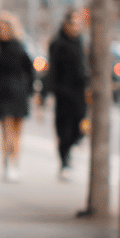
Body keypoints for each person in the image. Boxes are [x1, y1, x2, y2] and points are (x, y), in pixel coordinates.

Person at [0, 13, 34, 182]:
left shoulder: (19, 47)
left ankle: (14, 162)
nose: (2, 32)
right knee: (6, 130)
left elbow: (29, 70)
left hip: (19, 94)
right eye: (0, 29)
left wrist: (30, 90)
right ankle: (8, 162)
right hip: (3, 94)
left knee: (16, 132)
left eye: (5, 29)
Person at [48, 10, 88, 182]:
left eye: (79, 24)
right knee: (64, 129)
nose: (76, 27)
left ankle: (71, 148)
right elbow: (53, 70)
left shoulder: (81, 42)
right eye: (74, 23)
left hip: (80, 92)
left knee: (80, 126)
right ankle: (64, 161)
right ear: (66, 24)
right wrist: (48, 93)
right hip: (63, 92)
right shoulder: (58, 44)